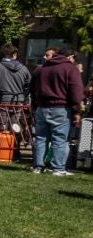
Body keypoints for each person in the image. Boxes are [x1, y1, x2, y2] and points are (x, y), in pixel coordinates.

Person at [32, 47, 83, 175]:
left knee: (41, 138)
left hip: (41, 108)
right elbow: (76, 92)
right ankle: (58, 168)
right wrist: (77, 110)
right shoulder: (70, 69)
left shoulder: (41, 69)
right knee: (60, 139)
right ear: (70, 57)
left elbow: (33, 89)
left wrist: (34, 106)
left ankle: (38, 166)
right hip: (61, 108)